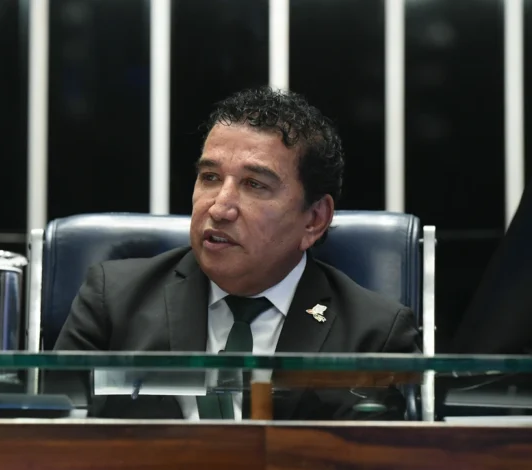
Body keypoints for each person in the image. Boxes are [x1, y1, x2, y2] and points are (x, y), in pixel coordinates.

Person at [54, 86, 421, 420]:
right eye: (210, 177)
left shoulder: (375, 334)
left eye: (254, 184)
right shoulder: (114, 301)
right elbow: (51, 436)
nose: (219, 208)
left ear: (314, 219)